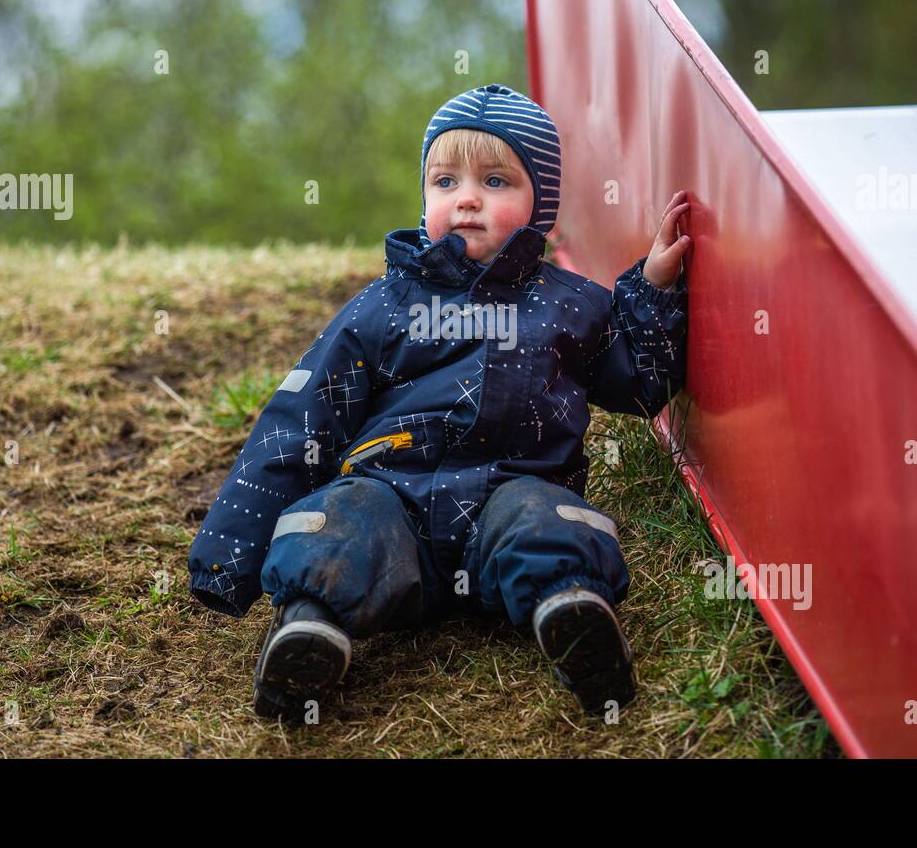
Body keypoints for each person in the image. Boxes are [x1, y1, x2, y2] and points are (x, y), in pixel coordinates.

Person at [188, 82, 696, 721]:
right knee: (346, 521)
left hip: (512, 490)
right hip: (393, 499)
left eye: (496, 180)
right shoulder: (385, 306)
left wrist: (652, 288)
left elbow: (638, 383)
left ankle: (569, 614)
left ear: (542, 203)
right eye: (445, 181)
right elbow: (301, 419)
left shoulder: (571, 304)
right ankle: (311, 633)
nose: (468, 199)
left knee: (545, 521)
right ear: (424, 195)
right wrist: (228, 557)